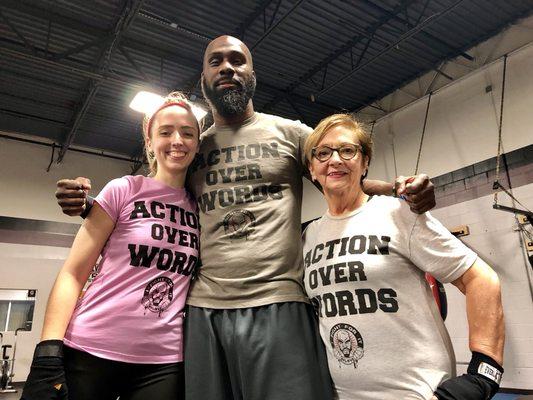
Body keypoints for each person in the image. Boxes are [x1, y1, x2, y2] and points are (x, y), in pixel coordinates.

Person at [55, 35, 437, 400]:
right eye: (216, 62)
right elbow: (154, 194)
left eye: (237, 61)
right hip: (204, 310)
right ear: (203, 80)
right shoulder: (192, 145)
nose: (227, 68)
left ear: (252, 74)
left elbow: (339, 176)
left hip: (278, 301)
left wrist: (399, 188)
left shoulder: (291, 134)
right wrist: (92, 205)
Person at [301, 113, 505, 400]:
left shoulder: (397, 214)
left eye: (347, 150)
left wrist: (484, 373)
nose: (335, 160)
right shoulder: (308, 237)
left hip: (415, 392)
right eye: (323, 153)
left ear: (365, 162)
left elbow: (480, 277)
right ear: (312, 169)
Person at [22, 92, 201, 400]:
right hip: (91, 348)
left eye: (187, 133)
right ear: (149, 142)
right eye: (165, 132)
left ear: (198, 144)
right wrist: (48, 350)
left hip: (162, 362)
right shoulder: (124, 190)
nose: (177, 140)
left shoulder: (200, 208)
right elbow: (73, 273)